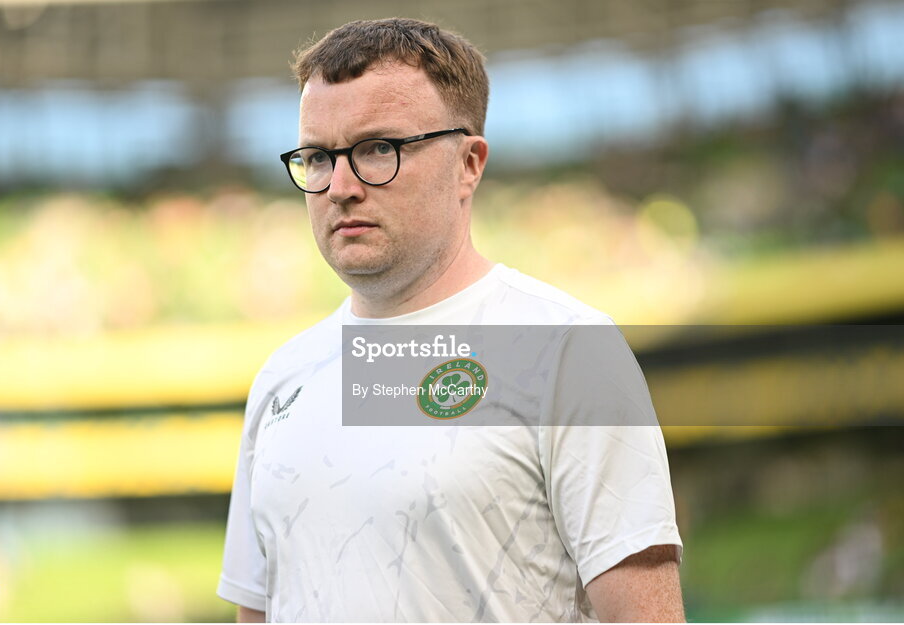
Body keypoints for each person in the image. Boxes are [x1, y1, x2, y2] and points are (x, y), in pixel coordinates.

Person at [217, 17, 684, 622]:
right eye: (316, 156)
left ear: (469, 163)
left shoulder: (567, 350)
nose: (340, 186)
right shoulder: (283, 379)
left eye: (377, 149)